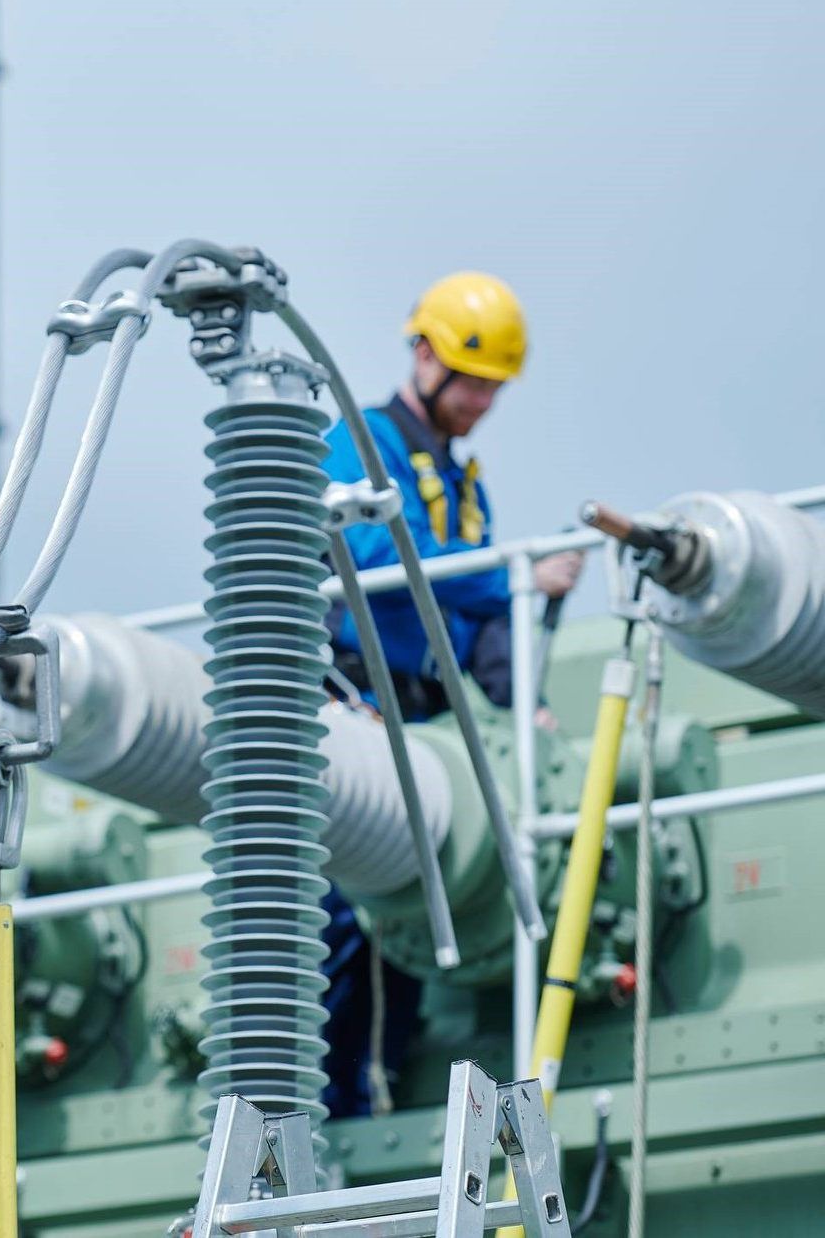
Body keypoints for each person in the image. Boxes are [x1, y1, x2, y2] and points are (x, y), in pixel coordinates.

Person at [316, 271, 583, 1119]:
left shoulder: (464, 487)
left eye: (492, 389)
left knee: (410, 914)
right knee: (343, 916)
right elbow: (382, 565)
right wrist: (510, 577)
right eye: (472, 382)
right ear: (424, 355)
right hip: (357, 714)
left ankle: (386, 1092)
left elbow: (473, 628)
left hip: (425, 724)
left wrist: (522, 699)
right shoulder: (360, 444)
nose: (480, 403)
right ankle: (327, 1110)